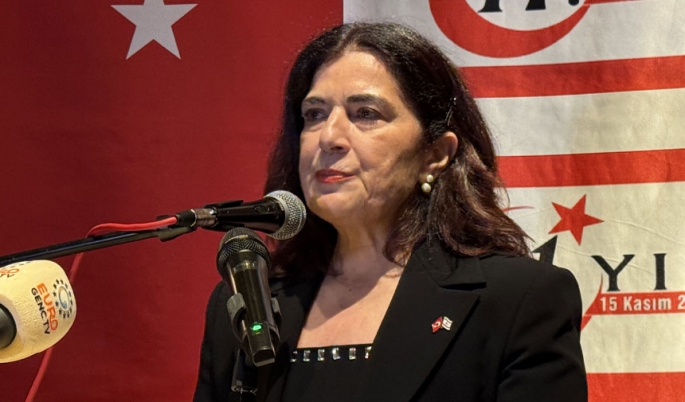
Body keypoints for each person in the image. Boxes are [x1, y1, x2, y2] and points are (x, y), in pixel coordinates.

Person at [194, 22, 587, 402]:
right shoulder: (248, 302)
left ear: (435, 155)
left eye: (365, 113)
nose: (329, 137)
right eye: (314, 114)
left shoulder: (518, 300)